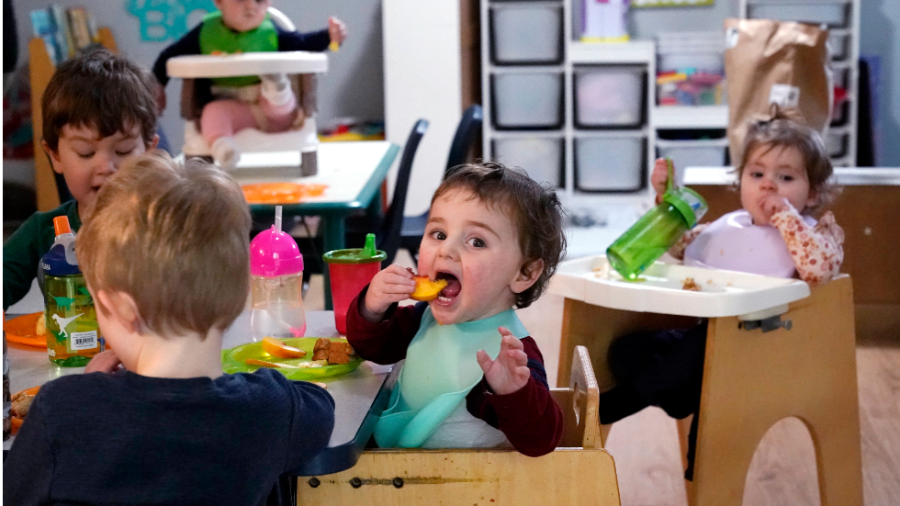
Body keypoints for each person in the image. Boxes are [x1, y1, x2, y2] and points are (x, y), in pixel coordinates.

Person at [1, 152, 335, 505]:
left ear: (120, 308)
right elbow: (321, 408)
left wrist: (87, 390)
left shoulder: (64, 410)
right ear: (242, 295)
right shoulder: (272, 408)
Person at [600, 115, 844, 480]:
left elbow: (819, 269)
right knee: (625, 350)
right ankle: (682, 397)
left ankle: (634, 398)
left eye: (786, 178)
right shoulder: (726, 228)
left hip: (769, 353)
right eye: (757, 175)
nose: (769, 188)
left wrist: (787, 219)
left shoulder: (812, 236)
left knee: (707, 342)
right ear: (740, 180)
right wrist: (668, 202)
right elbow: (679, 245)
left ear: (812, 193)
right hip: (707, 344)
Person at [347, 162, 566, 457]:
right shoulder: (423, 318)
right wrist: (373, 307)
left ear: (524, 273)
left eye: (476, 242)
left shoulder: (508, 355)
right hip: (397, 467)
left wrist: (512, 392)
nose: (446, 250)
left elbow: (541, 440)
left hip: (461, 486)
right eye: (438, 234)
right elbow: (371, 347)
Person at [1, 47, 159, 312]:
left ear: (149, 152)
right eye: (86, 152)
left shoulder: (166, 222)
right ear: (55, 156)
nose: (106, 167)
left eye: (123, 151)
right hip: (69, 351)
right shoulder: (44, 231)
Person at [151, 0, 347, 169]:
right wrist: (158, 84)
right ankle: (223, 147)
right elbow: (169, 56)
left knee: (282, 103)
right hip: (231, 109)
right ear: (219, 2)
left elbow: (305, 43)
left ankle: (276, 87)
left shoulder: (272, 33)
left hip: (271, 111)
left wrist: (329, 36)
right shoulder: (205, 34)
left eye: (259, 0)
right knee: (212, 113)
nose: (251, 7)